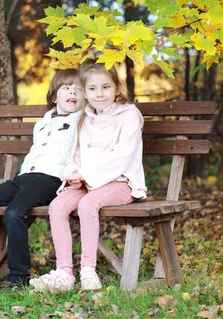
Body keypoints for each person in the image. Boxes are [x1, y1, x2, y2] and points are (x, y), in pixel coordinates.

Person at [0, 69, 84, 292]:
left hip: (50, 180)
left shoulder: (82, 121)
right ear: (55, 96)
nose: (73, 92)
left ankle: (18, 276)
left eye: (79, 89)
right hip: (23, 178)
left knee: (14, 212)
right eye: (67, 88)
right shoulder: (41, 124)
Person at [30, 62, 147, 293]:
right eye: (92, 89)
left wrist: (86, 174)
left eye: (106, 87)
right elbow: (76, 152)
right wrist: (73, 173)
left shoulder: (129, 115)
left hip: (121, 182)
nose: (99, 94)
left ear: (116, 88)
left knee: (87, 204)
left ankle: (88, 270)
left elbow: (121, 157)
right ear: (85, 91)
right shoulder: (84, 116)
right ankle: (64, 273)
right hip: (87, 181)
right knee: (57, 206)